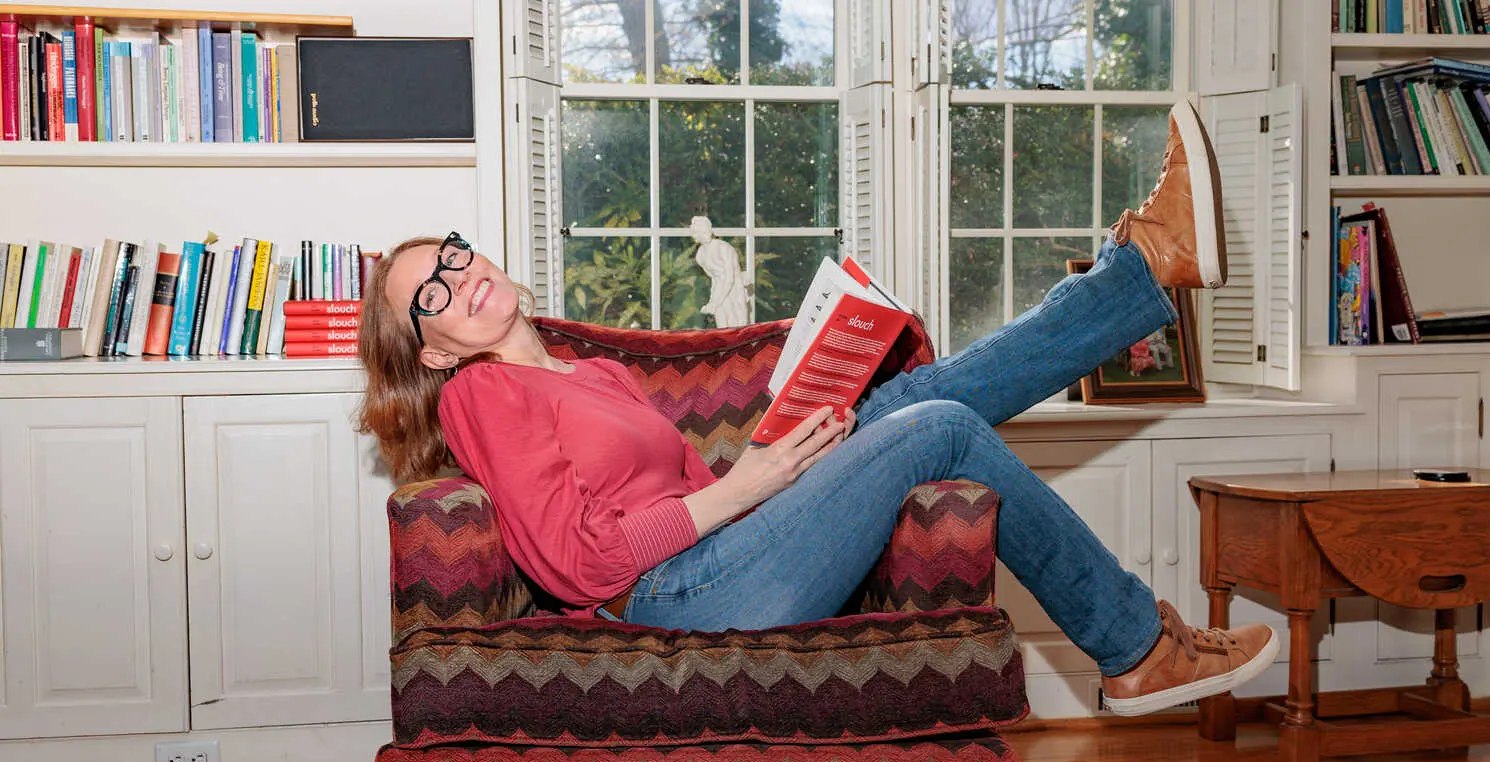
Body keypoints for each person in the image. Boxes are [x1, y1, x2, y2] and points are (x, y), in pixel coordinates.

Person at [357, 99, 1277, 717]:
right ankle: (1134, 644)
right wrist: (750, 482)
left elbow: (684, 501)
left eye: (451, 255)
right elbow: (575, 564)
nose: (457, 278)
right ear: (432, 350)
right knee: (939, 426)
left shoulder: (589, 375)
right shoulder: (481, 391)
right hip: (670, 607)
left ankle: (1147, 266)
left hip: (715, 565)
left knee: (904, 399)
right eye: (429, 296)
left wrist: (782, 452)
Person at [689, 215, 750, 327]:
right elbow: (714, 279)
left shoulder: (723, 248)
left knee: (737, 329)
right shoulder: (700, 255)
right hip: (718, 289)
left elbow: (730, 278)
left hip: (734, 290)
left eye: (694, 232)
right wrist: (713, 301)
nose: (692, 235)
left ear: (702, 230)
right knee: (722, 327)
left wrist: (715, 303)